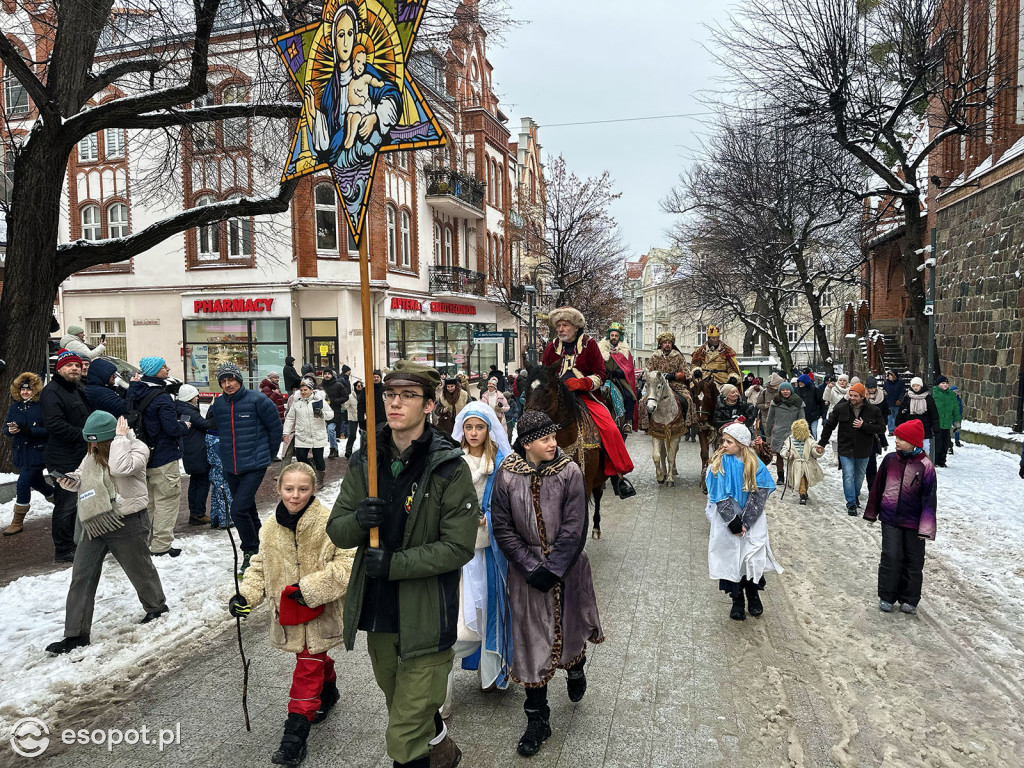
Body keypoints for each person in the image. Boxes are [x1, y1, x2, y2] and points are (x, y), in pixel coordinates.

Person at [326, 360, 478, 768]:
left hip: (426, 615)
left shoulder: (449, 468)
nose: (395, 403)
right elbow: (337, 531)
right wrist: (359, 520)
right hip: (379, 614)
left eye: (408, 396)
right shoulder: (366, 461)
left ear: (429, 405)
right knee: (403, 707)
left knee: (403, 734)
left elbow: (458, 547)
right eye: (390, 394)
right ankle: (443, 749)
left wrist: (395, 563)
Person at [490, 410, 604, 758]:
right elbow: (503, 527)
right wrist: (528, 565)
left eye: (554, 437)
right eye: (546, 439)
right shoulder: (507, 475)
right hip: (525, 576)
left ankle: (576, 667)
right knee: (529, 644)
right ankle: (537, 719)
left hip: (567, 568)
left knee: (569, 629)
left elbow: (575, 526)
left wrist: (554, 568)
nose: (554, 443)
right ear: (527, 444)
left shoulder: (570, 471)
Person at [230, 461, 355, 767]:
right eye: (289, 489)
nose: (295, 495)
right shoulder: (271, 527)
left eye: (303, 489)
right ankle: (330, 689)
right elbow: (260, 565)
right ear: (278, 489)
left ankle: (294, 738)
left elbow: (347, 564)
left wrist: (310, 588)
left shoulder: (329, 522)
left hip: (319, 611)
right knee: (312, 657)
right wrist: (245, 596)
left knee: (306, 667)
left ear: (314, 490)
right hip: (289, 614)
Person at [45, 413, 169, 655]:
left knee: (139, 568)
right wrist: (71, 481)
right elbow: (84, 476)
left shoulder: (137, 448)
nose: (92, 447)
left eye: (97, 443)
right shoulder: (92, 453)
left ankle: (156, 607)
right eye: (89, 442)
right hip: (96, 520)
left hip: (127, 520)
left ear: (110, 438)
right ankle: (76, 634)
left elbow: (120, 468)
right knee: (82, 574)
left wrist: (121, 439)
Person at [443, 402, 514, 717]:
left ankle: (490, 673)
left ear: (489, 429)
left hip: (489, 549)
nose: (473, 433)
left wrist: (490, 515)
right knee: (460, 611)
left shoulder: (500, 461)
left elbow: (510, 502)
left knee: (490, 608)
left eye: (479, 427)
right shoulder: (452, 461)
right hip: (460, 547)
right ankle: (440, 676)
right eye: (469, 427)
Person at [541, 306, 635, 498]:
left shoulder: (590, 344)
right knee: (531, 423)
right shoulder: (551, 347)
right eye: (558, 325)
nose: (560, 329)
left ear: (575, 327)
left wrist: (583, 382)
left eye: (565, 325)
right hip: (555, 398)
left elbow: (600, 373)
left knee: (609, 428)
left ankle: (618, 475)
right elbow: (544, 373)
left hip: (585, 396)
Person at [210, 362, 285, 576]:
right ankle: (263, 546)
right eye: (223, 381)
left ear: (239, 380)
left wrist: (266, 456)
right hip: (231, 466)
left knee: (238, 510)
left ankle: (250, 550)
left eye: (231, 380)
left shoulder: (259, 400)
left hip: (254, 463)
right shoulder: (219, 405)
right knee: (248, 508)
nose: (227, 384)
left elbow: (275, 429)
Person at [705, 421, 781, 621]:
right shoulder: (718, 464)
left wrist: (746, 521)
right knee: (732, 559)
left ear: (741, 444)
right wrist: (733, 522)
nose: (724, 445)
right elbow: (718, 494)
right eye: (724, 441)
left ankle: (753, 595)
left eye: (729, 442)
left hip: (751, 519)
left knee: (750, 556)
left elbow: (760, 493)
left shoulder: (755, 464)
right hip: (727, 520)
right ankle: (737, 599)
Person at [863, 419, 937, 615]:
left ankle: (909, 598)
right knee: (891, 556)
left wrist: (926, 528)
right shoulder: (890, 460)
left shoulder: (925, 466)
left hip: (914, 522)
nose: (896, 441)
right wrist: (872, 512)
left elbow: (929, 499)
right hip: (890, 518)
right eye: (896, 437)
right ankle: (887, 595)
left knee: (913, 560)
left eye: (901, 438)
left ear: (913, 441)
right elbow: (877, 487)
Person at [128, 357, 189, 557]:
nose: (168, 368)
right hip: (163, 455)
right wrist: (184, 426)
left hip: (141, 455)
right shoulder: (162, 397)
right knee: (166, 501)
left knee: (148, 503)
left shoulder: (134, 391)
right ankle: (161, 545)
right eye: (164, 366)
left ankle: (145, 541)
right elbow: (171, 428)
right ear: (154, 371)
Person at [41, 349, 92, 562]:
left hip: (79, 455)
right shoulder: (52, 391)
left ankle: (76, 542)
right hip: (63, 458)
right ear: (59, 368)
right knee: (66, 504)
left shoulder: (76, 389)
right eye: (69, 365)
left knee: (79, 501)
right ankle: (63, 549)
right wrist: (85, 436)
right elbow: (54, 424)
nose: (74, 368)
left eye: (77, 366)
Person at [816, 382, 886, 515]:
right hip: (845, 447)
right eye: (851, 395)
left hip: (864, 449)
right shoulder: (840, 408)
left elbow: (881, 428)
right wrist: (822, 443)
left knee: (859, 477)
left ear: (862, 396)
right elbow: (829, 425)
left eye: (855, 396)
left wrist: (864, 425)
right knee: (848, 475)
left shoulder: (873, 410)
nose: (852, 398)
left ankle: (855, 494)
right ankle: (851, 503)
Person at [3, 372, 53, 535]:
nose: (25, 393)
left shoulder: (41, 406)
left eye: (29, 390)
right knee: (38, 483)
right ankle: (59, 500)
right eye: (22, 390)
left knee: (23, 483)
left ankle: (17, 521)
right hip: (21, 452)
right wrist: (10, 430)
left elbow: (49, 429)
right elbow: (5, 429)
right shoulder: (14, 406)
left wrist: (30, 431)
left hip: (36, 452)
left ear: (35, 390)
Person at [284, 376, 334, 489]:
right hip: (302, 435)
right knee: (300, 457)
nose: (303, 392)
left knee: (318, 459)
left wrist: (322, 413)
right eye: (301, 390)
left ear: (311, 390)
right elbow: (290, 419)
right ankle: (312, 475)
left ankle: (320, 480)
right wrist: (285, 433)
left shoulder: (319, 401)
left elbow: (331, 414)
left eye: (305, 390)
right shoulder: (297, 403)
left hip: (318, 435)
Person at [641, 332, 693, 435]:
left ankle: (687, 423)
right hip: (657, 386)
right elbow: (647, 372)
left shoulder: (678, 356)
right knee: (643, 401)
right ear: (661, 344)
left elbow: (686, 373)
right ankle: (646, 425)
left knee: (688, 399)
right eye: (665, 343)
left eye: (669, 342)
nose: (667, 345)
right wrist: (654, 376)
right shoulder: (655, 356)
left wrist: (673, 375)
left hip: (675, 385)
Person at [175, 384, 213, 526]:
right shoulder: (189, 411)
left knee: (196, 483)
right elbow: (206, 424)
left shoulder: (183, 410)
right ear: (190, 398)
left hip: (192, 452)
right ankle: (198, 514)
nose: (197, 398)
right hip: (197, 452)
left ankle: (195, 513)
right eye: (195, 395)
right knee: (202, 483)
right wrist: (212, 410)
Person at [599, 322, 638, 431]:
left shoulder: (625, 351)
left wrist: (619, 372)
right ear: (609, 336)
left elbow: (629, 367)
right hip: (604, 379)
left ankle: (628, 422)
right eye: (612, 335)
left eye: (616, 335)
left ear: (619, 337)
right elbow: (596, 363)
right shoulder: (601, 349)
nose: (614, 337)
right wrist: (604, 371)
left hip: (619, 379)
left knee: (629, 396)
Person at [765, 381, 806, 485]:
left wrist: (802, 433)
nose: (785, 392)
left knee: (792, 456)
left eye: (787, 389)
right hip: (778, 432)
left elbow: (802, 419)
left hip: (793, 433)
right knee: (779, 455)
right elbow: (770, 418)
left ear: (791, 390)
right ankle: (780, 477)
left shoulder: (798, 402)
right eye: (783, 390)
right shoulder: (776, 402)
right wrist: (768, 431)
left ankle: (791, 477)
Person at [781, 418, 823, 505]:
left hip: (808, 464)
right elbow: (784, 449)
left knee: (806, 479)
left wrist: (818, 451)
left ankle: (804, 491)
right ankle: (802, 494)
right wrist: (788, 453)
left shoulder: (809, 440)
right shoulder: (789, 440)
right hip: (796, 465)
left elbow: (813, 449)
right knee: (801, 479)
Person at [895, 377, 939, 456]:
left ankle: (925, 463)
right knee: (909, 446)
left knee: (925, 447)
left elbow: (934, 413)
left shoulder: (928, 398)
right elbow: (901, 410)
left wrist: (935, 426)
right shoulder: (907, 396)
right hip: (910, 425)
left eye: (917, 385)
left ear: (921, 386)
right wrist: (899, 422)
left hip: (924, 426)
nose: (915, 387)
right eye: (914, 386)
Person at [205, 420, 233, 529]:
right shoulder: (218, 442)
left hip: (215, 472)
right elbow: (222, 462)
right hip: (222, 473)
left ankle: (215, 519)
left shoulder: (210, 439)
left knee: (216, 495)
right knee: (224, 495)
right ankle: (226, 520)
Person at [864, 377, 891, 488]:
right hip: (864, 429)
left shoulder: (882, 396)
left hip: (876, 428)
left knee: (871, 462)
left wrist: (882, 422)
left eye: (873, 388)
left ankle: (872, 486)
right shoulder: (861, 396)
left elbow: (885, 410)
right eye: (869, 388)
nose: (871, 390)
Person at [931, 375, 959, 468]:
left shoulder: (951, 395)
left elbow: (956, 408)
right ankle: (935, 460)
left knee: (945, 443)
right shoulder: (933, 393)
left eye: (946, 383)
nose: (945, 385)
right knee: (937, 443)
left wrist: (957, 421)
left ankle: (942, 461)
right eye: (943, 383)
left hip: (947, 422)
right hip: (936, 422)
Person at [321, 369, 349, 459]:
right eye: (325, 374)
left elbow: (346, 396)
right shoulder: (320, 386)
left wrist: (336, 401)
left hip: (334, 411)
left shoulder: (338, 385)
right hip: (321, 412)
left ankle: (333, 448)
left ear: (332, 375)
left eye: (329, 374)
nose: (327, 375)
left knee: (331, 430)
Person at [795, 373, 825, 439]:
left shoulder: (814, 390)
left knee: (813, 432)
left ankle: (813, 445)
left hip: (814, 414)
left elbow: (820, 402)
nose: (800, 384)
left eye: (802, 382)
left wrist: (821, 413)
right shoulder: (796, 391)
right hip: (802, 415)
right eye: (799, 382)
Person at [344, 378, 365, 459]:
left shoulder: (365, 395)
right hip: (353, 417)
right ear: (355, 386)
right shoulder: (350, 396)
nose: (359, 387)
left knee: (363, 435)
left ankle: (364, 451)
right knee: (352, 435)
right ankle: (348, 451)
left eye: (360, 385)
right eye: (357, 385)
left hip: (363, 417)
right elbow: (345, 406)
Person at [883, 370, 905, 436]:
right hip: (889, 403)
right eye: (889, 375)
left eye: (890, 375)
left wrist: (900, 399)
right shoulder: (886, 383)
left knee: (897, 417)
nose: (889, 377)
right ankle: (891, 430)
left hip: (897, 403)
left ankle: (897, 429)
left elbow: (902, 392)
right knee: (890, 417)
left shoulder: (900, 383)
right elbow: (884, 391)